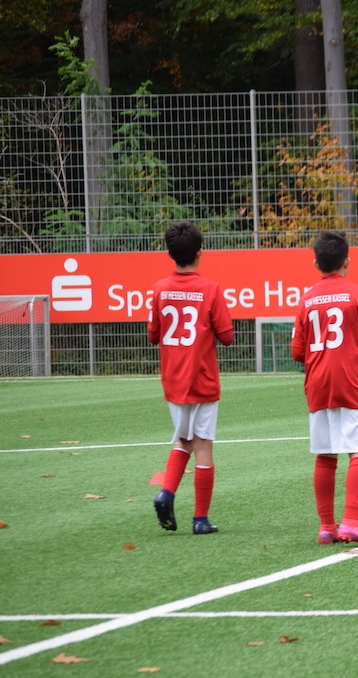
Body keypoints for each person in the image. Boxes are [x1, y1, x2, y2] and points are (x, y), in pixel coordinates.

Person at [291, 230, 358, 547]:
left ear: (315, 263)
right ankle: (352, 522)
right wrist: (353, 353)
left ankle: (326, 527)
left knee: (325, 453)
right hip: (351, 380)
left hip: (318, 383)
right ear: (347, 261)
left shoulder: (306, 299)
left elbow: (296, 351)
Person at [149, 221, 234, 535]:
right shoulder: (210, 289)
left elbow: (153, 335)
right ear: (200, 253)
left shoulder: (159, 289)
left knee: (184, 439)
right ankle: (200, 519)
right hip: (202, 379)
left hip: (173, 380)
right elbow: (227, 337)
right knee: (203, 446)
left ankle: (166, 493)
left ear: (169, 253)